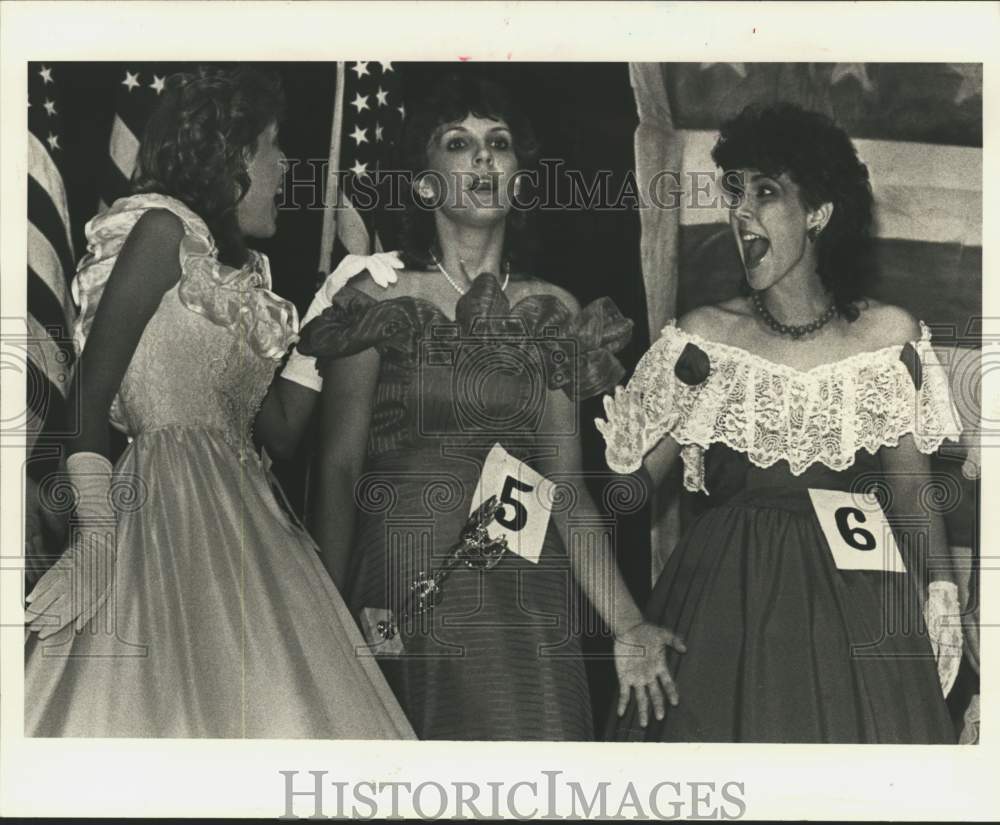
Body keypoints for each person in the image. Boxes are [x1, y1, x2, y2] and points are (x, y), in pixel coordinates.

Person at [24, 66, 415, 739]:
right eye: (272, 145)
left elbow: (283, 432)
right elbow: (87, 399)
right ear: (232, 154)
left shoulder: (242, 282)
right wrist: (93, 538)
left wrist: (331, 309)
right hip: (158, 511)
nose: (284, 163)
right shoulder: (160, 231)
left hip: (250, 520)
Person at [295, 73, 683, 740]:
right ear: (423, 183)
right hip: (399, 584)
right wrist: (329, 618)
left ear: (520, 178)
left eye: (498, 144)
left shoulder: (555, 310)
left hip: (523, 597)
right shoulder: (377, 300)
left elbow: (566, 491)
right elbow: (336, 470)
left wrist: (628, 623)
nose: (482, 158)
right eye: (458, 142)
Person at [597, 102, 964, 743]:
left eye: (766, 192)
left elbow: (912, 493)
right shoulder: (705, 338)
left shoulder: (889, 336)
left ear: (818, 212)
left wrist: (940, 592)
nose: (741, 211)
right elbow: (622, 496)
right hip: (724, 610)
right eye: (734, 192)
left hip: (860, 609)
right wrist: (631, 437)